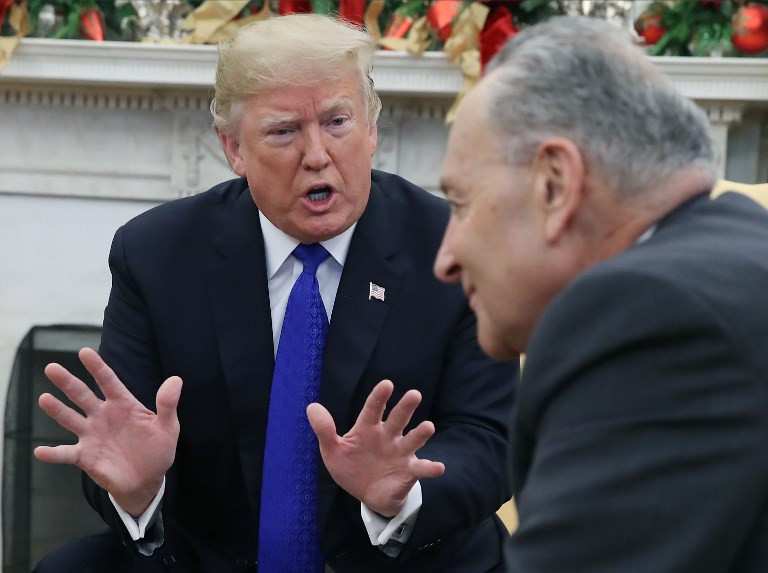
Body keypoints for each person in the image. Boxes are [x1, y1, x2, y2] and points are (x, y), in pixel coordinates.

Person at [33, 14, 517, 573]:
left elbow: (489, 439)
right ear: (234, 149)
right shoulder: (158, 255)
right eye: (284, 131)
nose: (316, 155)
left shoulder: (452, 245)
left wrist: (400, 495)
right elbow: (119, 444)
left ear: (372, 127)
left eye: (338, 122)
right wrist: (137, 491)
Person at [434, 15, 768, 572]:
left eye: (460, 204)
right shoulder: (735, 249)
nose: (445, 259)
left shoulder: (649, 314)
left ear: (555, 184)